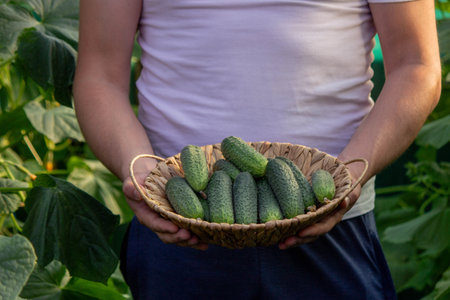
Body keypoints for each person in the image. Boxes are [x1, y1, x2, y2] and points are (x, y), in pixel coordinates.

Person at [73, 0, 441, 299]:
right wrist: (138, 170)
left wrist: (350, 172)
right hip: (177, 221)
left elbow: (416, 66)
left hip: (334, 220)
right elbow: (99, 75)